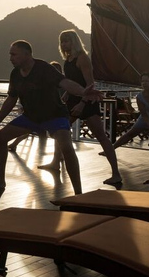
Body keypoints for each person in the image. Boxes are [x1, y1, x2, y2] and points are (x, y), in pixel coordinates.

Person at [0, 40, 103, 194]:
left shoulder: (44, 68)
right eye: (10, 54)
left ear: (27, 54)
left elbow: (65, 83)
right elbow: (11, 100)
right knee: (0, 138)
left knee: (67, 147)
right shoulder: (15, 73)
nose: (11, 58)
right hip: (31, 117)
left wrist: (83, 92)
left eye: (14, 54)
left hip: (55, 116)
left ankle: (78, 193)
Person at [38, 30, 122, 185]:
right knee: (60, 130)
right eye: (62, 41)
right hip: (73, 100)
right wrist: (67, 95)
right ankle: (56, 162)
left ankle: (116, 174)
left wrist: (82, 103)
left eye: (67, 41)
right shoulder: (68, 59)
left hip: (87, 101)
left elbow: (90, 84)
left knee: (101, 136)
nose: (64, 44)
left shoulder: (82, 58)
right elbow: (71, 81)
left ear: (74, 42)